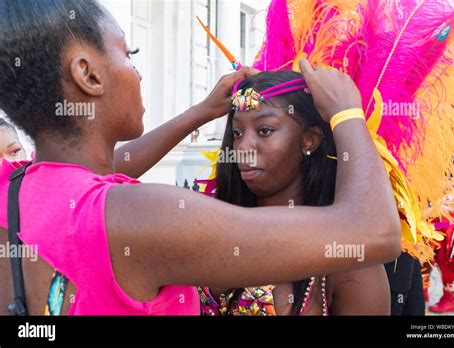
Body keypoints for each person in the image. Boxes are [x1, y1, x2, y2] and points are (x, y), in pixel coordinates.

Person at [0, 0, 400, 315]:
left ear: (309, 140)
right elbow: (377, 233)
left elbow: (89, 174)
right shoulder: (145, 216)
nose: (138, 72)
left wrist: (200, 112)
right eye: (130, 53)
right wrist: (348, 113)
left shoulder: (13, 188)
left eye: (264, 130)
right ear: (88, 75)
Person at [198, 70, 390, 316]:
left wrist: (348, 115)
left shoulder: (345, 255)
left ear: (309, 140)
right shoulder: (207, 222)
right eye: (236, 133)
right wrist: (200, 112)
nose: (242, 147)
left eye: (264, 130)